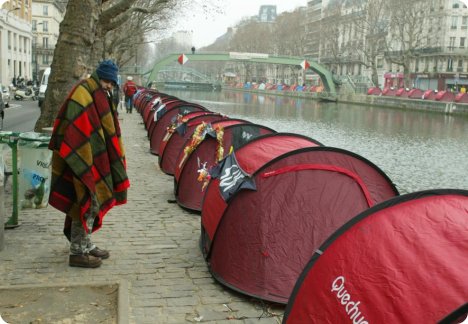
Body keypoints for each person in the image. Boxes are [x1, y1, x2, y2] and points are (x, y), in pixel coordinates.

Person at [48, 60, 130, 268]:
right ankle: (77, 252)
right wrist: (81, 157)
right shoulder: (83, 92)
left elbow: (104, 129)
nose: (110, 86)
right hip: (79, 158)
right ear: (100, 76)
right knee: (83, 203)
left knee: (91, 204)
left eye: (112, 83)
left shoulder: (98, 93)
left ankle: (86, 245)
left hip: (93, 157)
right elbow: (74, 126)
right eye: (108, 81)